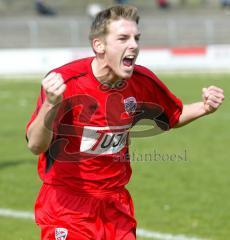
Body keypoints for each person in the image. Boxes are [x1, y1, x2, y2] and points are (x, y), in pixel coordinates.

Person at [26, 5, 224, 240]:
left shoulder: (142, 81)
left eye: (136, 38)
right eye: (123, 38)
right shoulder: (66, 82)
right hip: (68, 206)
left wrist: (204, 107)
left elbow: (172, 116)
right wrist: (51, 104)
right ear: (99, 45)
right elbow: (36, 146)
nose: (134, 45)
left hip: (115, 205)